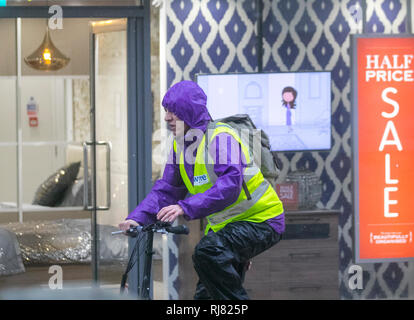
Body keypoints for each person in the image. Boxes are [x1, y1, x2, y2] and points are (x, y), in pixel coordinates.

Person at [118, 80, 285, 300]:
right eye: (166, 110)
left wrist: (184, 207)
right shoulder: (181, 145)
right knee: (205, 296)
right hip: (226, 228)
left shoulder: (220, 138)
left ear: (190, 111)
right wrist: (138, 219)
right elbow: (167, 189)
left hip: (261, 220)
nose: (167, 117)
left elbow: (230, 185)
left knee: (208, 252)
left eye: (174, 111)